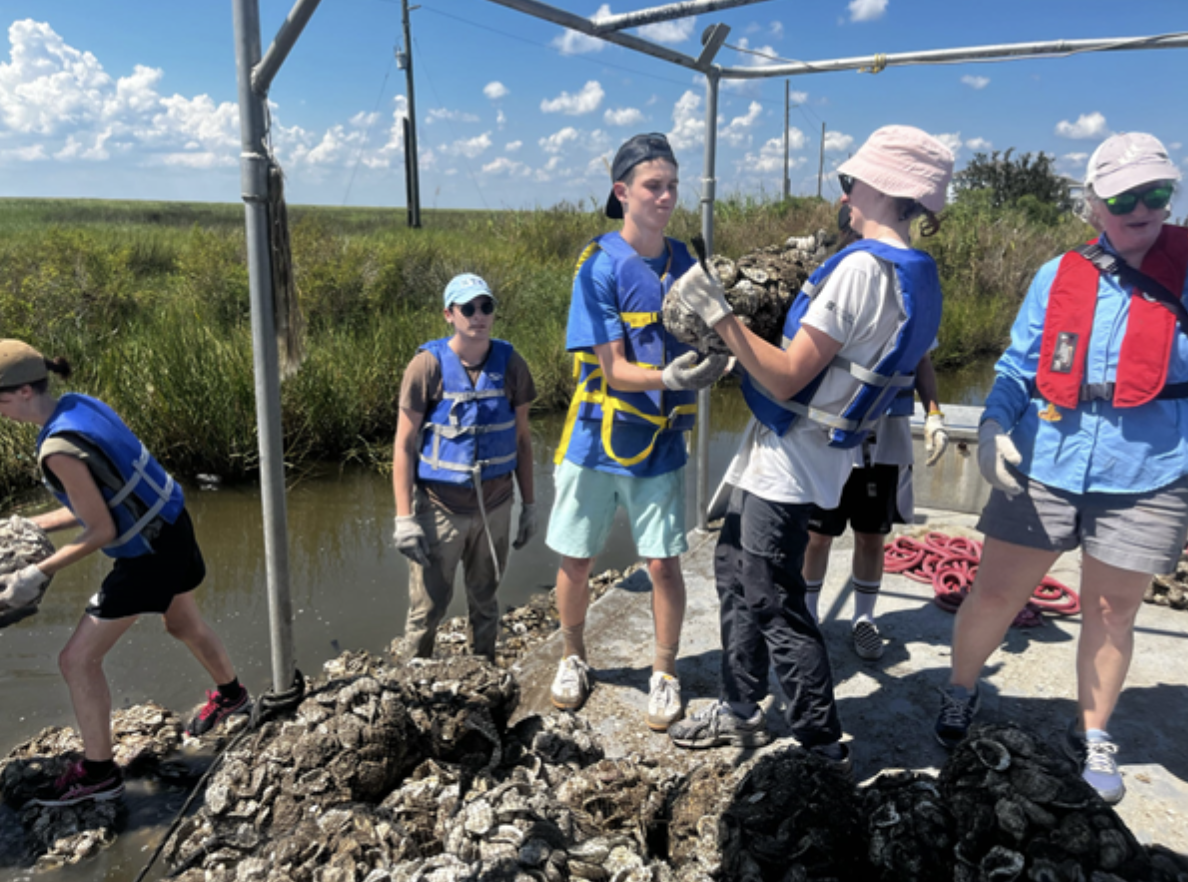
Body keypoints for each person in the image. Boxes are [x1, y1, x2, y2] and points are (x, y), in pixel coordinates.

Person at [666, 126, 954, 770]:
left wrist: (719, 316)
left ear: (884, 189)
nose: (844, 195)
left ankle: (821, 741)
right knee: (735, 571)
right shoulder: (913, 274)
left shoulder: (859, 270)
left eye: (851, 183)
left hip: (791, 461)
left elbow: (787, 373)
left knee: (771, 593)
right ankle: (740, 708)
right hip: (809, 451)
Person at [934, 132, 1187, 805]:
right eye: (1125, 195)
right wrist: (992, 423)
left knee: (1113, 609)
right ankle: (961, 688)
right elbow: (1018, 366)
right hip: (1045, 460)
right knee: (993, 593)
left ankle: (1096, 730)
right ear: (1094, 202)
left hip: (1151, 471)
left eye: (1157, 192)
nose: (1143, 207)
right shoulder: (1057, 275)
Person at [0, 340, 249, 807]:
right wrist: (28, 525)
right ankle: (233, 695)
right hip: (173, 524)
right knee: (183, 624)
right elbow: (107, 497)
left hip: (149, 554)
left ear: (27, 391)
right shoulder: (80, 406)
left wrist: (35, 573)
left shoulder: (56, 448)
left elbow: (100, 529)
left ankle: (98, 774)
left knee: (76, 660)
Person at [546, 132, 726, 732]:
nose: (667, 197)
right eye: (654, 186)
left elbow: (719, 335)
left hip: (662, 444)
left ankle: (665, 671)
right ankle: (574, 657)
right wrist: (671, 374)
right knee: (575, 561)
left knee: (664, 566)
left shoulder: (688, 263)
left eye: (673, 185)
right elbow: (615, 367)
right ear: (622, 192)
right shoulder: (599, 267)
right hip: (597, 440)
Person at [802, 204, 950, 660]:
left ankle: (863, 617)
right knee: (817, 533)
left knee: (871, 533)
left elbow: (921, 356)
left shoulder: (912, 285)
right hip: (830, 430)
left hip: (882, 434)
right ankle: (806, 616)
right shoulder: (838, 277)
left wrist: (935, 413)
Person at [392, 273, 536, 663]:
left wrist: (531, 505)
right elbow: (404, 445)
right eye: (468, 308)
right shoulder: (426, 366)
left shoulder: (511, 364)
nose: (478, 315)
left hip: (496, 506)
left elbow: (522, 440)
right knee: (427, 609)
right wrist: (404, 519)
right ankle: (413, 681)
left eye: (486, 306)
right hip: (440, 509)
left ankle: (483, 672)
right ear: (448, 314)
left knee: (486, 600)